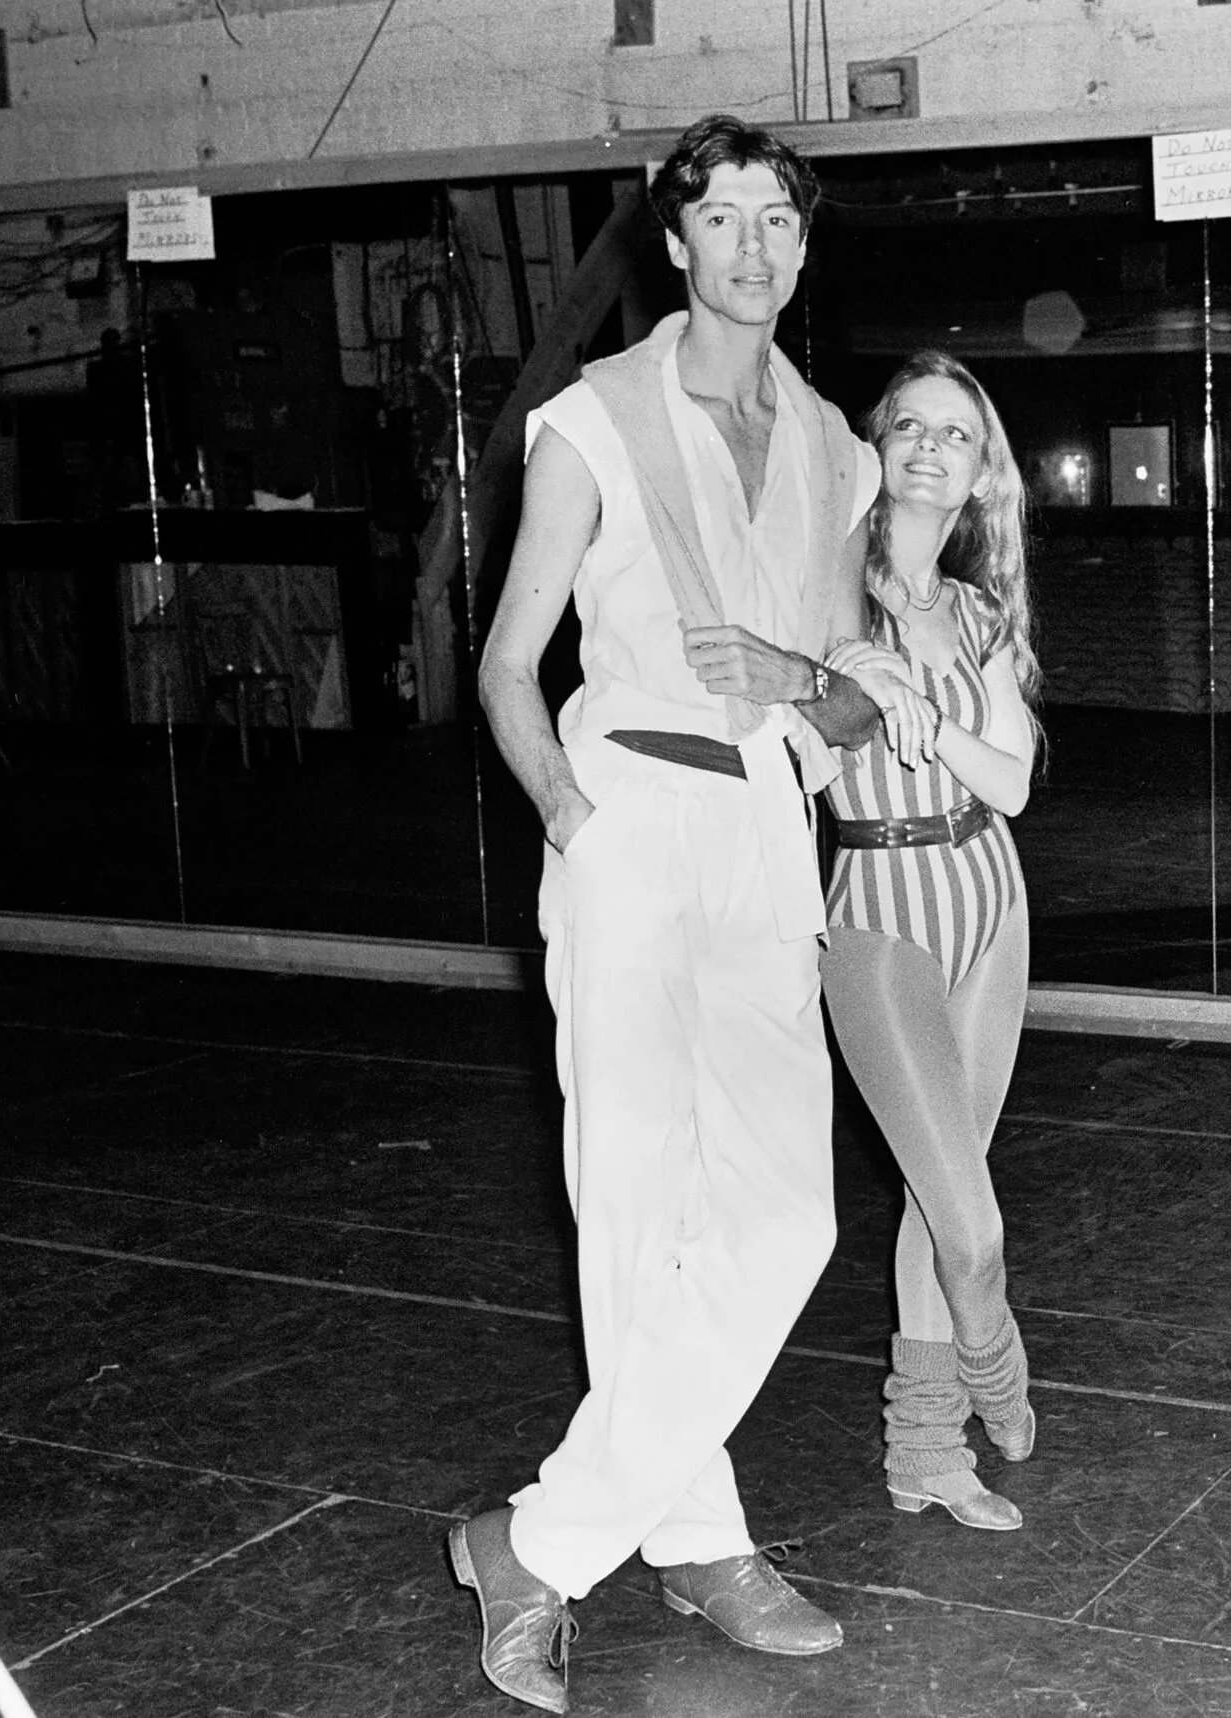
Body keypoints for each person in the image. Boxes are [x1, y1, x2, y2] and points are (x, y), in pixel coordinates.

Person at [451, 114, 885, 1715]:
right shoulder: (591, 422)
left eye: (782, 221)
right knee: (637, 1214)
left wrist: (809, 685)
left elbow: (850, 709)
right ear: (675, 243)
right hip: (632, 810)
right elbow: (506, 664)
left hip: (767, 828)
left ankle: (539, 1541)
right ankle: (700, 1539)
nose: (756, 248)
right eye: (727, 220)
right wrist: (578, 821)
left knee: (788, 1217)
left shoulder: (835, 445)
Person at [819, 352, 1043, 1531]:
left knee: (929, 1197)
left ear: (979, 473)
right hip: (877, 911)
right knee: (973, 1224)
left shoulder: (977, 610)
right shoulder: (823, 583)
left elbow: (1008, 784)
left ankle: (923, 1453)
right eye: (908, 424)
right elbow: (794, 722)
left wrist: (933, 722)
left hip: (988, 904)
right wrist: (855, 666)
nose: (927, 446)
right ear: (878, 446)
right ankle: (998, 1372)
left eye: (955, 434)